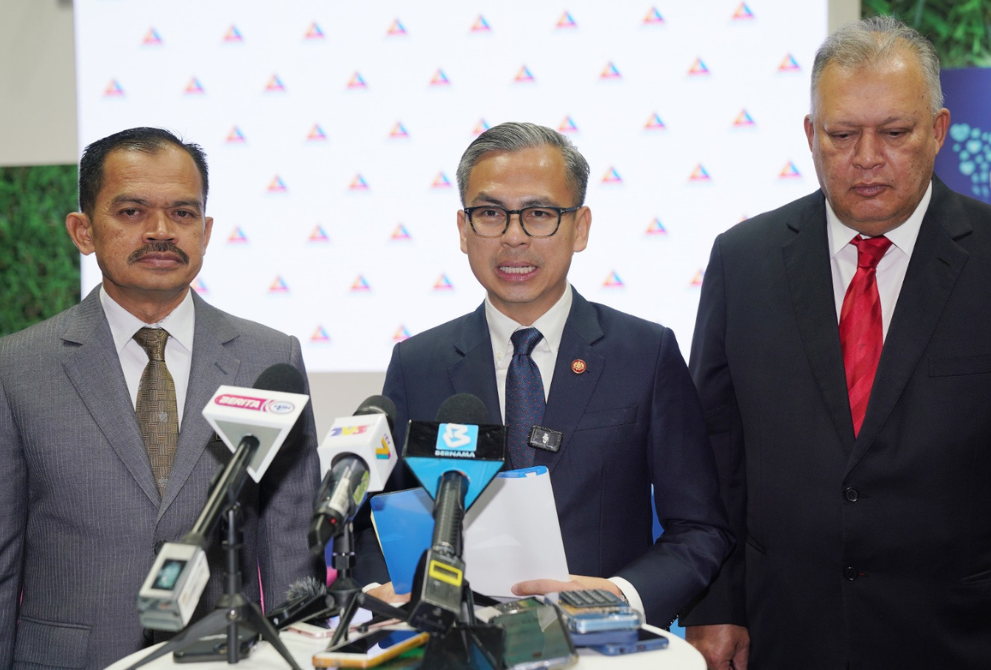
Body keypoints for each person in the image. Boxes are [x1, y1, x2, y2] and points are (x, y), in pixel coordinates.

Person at [681, 15, 991, 670]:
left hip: (968, 641)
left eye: (894, 133)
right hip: (789, 637)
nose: (866, 157)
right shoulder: (743, 262)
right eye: (842, 135)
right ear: (811, 137)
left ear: (939, 131)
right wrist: (715, 605)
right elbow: (716, 456)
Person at [360, 121, 732, 627]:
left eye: (538, 214)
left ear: (580, 227)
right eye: (490, 214)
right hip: (455, 646)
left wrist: (618, 595)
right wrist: (384, 591)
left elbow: (699, 528)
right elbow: (379, 522)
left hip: (601, 650)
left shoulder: (644, 353)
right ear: (463, 230)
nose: (514, 237)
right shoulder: (417, 363)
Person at [0, 127, 322, 669]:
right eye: (131, 212)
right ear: (83, 230)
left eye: (183, 213)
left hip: (222, 659)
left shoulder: (269, 360)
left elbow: (291, 551)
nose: (161, 231)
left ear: (207, 230)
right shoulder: (17, 368)